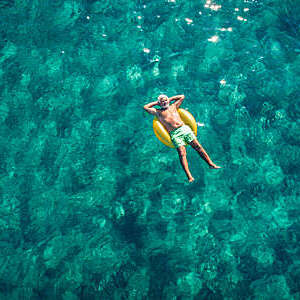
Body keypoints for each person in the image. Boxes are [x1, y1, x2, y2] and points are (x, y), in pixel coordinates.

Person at [143, 94, 221, 182]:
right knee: (182, 153)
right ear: (159, 103)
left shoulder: (173, 106)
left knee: (198, 147)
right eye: (162, 101)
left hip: (184, 129)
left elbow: (182, 96)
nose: (164, 102)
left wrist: (169, 99)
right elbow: (145, 107)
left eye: (165, 100)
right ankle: (189, 176)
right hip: (175, 134)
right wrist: (157, 102)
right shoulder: (157, 112)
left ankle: (210, 164)